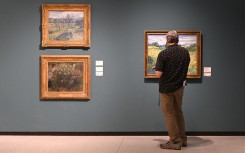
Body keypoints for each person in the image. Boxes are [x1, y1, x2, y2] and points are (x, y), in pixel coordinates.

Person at [154, 30, 190, 150]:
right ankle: (183, 139)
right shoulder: (185, 52)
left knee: (169, 114)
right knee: (178, 112)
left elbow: (158, 74)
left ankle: (174, 142)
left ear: (167, 40)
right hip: (180, 87)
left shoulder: (163, 54)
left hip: (166, 89)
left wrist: (157, 67)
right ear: (177, 40)